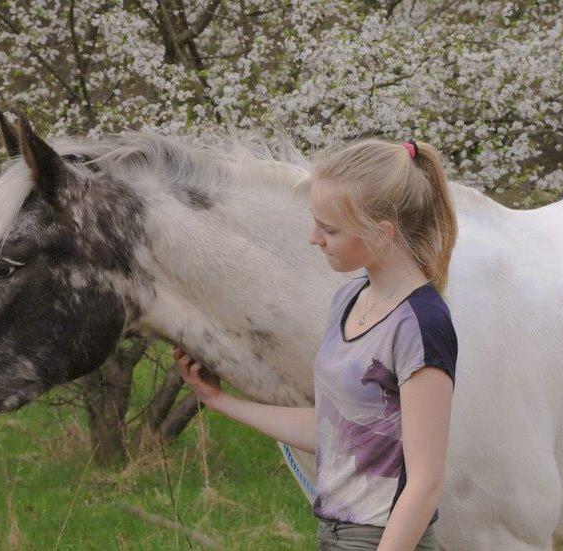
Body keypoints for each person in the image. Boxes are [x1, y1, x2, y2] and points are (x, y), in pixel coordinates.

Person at [174, 138, 458, 551]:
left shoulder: (421, 325)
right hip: (333, 534)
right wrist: (218, 401)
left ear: (381, 233)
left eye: (329, 229)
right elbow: (334, 429)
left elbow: (425, 484)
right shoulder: (348, 299)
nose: (313, 238)